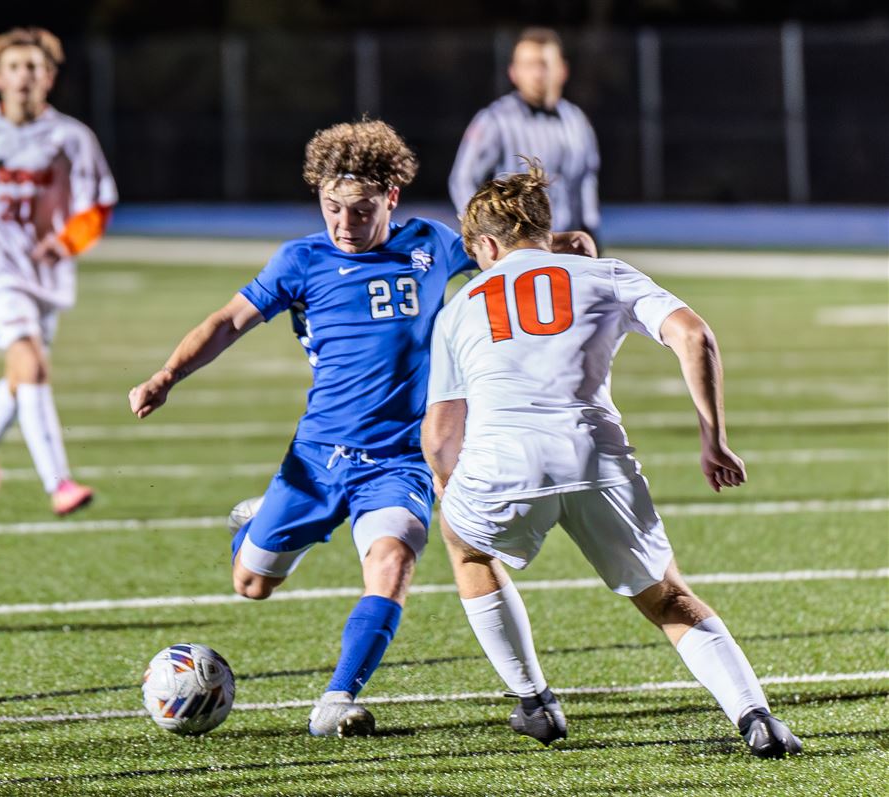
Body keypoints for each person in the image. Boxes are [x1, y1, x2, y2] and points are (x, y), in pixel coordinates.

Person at [130, 119, 594, 737]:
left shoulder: (431, 243)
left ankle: (336, 699)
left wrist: (562, 243)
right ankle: (254, 526)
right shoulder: (301, 259)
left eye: (360, 209)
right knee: (251, 585)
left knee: (392, 562)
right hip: (317, 456)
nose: (344, 224)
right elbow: (227, 322)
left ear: (391, 200)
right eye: (332, 208)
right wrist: (167, 375)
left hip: (400, 458)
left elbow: (504, 251)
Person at [421, 164, 803, 758]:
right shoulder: (605, 273)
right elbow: (694, 335)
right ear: (544, 233)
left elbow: (442, 433)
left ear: (487, 247)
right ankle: (756, 716)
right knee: (668, 597)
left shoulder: (459, 307)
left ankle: (535, 702)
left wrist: (451, 488)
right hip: (596, 455)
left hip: (504, 461)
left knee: (465, 545)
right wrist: (713, 438)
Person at [0, 27, 117, 515]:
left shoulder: (71, 137)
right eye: (14, 67)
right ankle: (60, 484)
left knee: (20, 373)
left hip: (45, 272)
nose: (24, 75)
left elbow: (98, 207)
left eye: (33, 66)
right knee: (31, 364)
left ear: (49, 77)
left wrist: (67, 241)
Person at [449, 27, 600, 244]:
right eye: (529, 65)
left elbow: (586, 178)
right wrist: (481, 234)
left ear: (562, 70)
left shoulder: (577, 120)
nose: (538, 74)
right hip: (516, 246)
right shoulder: (494, 119)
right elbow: (463, 180)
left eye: (544, 64)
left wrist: (591, 228)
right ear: (514, 72)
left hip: (566, 242)